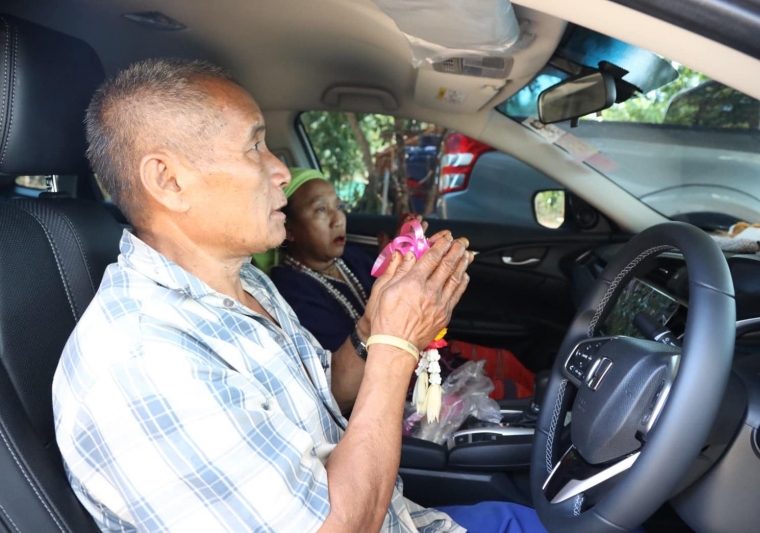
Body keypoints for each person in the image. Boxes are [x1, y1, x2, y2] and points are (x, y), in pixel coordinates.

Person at [52, 58, 548, 532]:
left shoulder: (244, 282)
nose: (282, 172)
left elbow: (316, 395)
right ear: (169, 180)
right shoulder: (144, 359)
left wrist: (372, 329)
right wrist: (396, 346)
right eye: (255, 147)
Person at [258, 168, 536, 400]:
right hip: (390, 381)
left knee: (510, 363)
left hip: (423, 355)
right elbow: (345, 365)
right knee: (515, 394)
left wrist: (405, 258)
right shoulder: (291, 290)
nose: (338, 219)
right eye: (321, 209)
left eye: (339, 207)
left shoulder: (352, 258)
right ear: (289, 229)